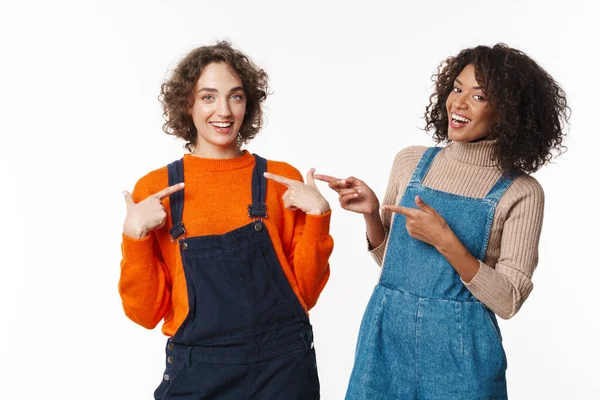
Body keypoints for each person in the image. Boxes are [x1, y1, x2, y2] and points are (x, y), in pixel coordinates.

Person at [316, 43, 569, 399]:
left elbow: (508, 300)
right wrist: (373, 215)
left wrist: (446, 242)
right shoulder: (411, 162)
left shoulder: (521, 192)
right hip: (386, 339)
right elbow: (396, 266)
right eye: (457, 89)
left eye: (479, 96)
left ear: (509, 112)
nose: (459, 104)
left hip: (463, 353)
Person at [119, 41, 333, 399]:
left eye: (235, 96)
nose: (224, 110)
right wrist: (134, 237)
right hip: (198, 372)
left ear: (248, 103)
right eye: (208, 97)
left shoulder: (280, 181)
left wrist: (318, 219)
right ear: (186, 104)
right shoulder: (157, 189)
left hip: (283, 370)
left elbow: (305, 296)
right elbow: (146, 314)